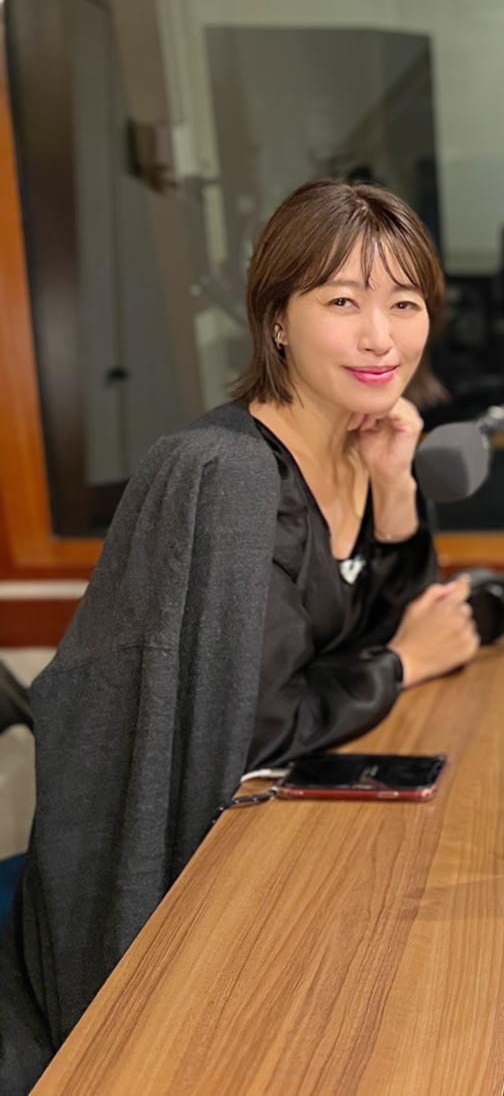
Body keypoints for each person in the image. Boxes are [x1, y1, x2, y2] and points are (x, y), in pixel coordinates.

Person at [0, 181, 479, 1093]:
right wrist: (403, 666)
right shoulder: (227, 477)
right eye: (343, 302)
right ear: (278, 321)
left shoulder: (348, 440)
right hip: (169, 884)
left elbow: (378, 619)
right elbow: (257, 729)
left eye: (404, 303)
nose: (381, 338)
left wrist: (394, 488)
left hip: (263, 827)